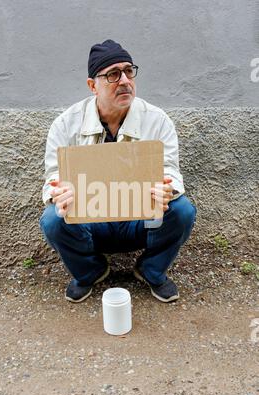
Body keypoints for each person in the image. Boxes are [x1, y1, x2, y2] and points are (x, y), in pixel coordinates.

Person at [39, 39, 197, 303]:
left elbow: (171, 171)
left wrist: (167, 189)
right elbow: (52, 178)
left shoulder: (157, 120)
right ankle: (91, 271)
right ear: (93, 86)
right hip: (91, 222)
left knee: (182, 211)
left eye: (129, 71)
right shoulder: (65, 124)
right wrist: (59, 194)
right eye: (113, 74)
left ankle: (151, 270)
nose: (124, 80)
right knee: (52, 219)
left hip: (141, 219)